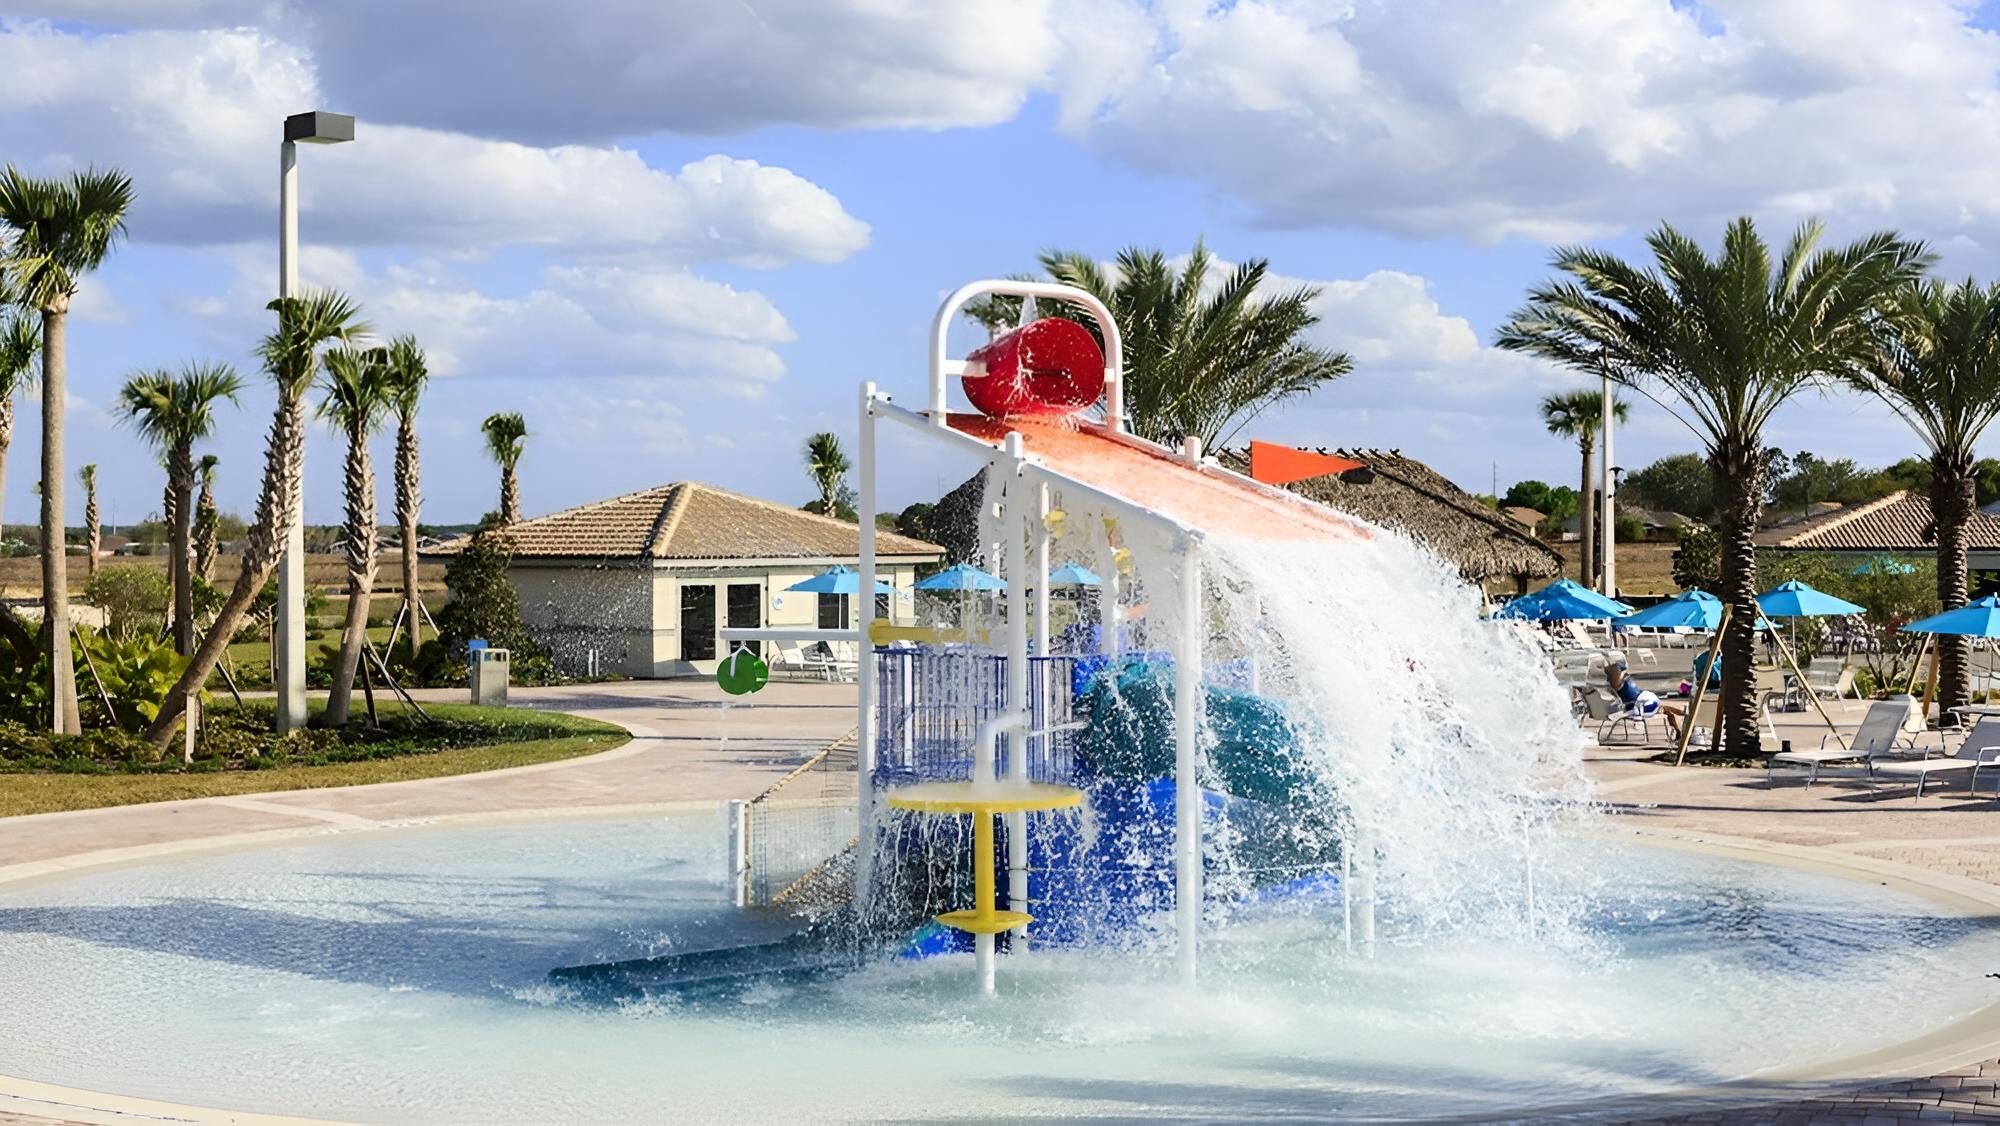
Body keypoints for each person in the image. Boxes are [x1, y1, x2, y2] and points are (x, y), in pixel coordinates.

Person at [1605, 652, 1684, 740]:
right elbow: (1615, 682)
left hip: (1642, 702)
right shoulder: (1616, 683)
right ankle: (1684, 719)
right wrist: (1622, 671)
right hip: (1637, 706)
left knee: (1668, 710)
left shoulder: (1621, 680)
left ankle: (1680, 729)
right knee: (1667, 709)